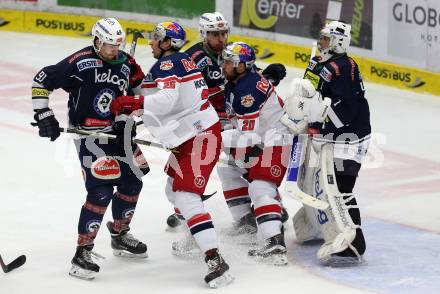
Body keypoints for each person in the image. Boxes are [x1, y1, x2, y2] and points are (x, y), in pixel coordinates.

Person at [110, 21, 234, 288]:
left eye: (156, 38)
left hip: (199, 136)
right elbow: (162, 99)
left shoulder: (169, 64)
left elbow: (167, 100)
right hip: (191, 136)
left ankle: (215, 260)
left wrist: (135, 102)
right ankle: (196, 233)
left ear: (168, 43)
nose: (151, 42)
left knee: (186, 196)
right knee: (172, 190)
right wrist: (135, 97)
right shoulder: (180, 61)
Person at [31, 17, 149, 280]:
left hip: (121, 132)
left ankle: (120, 234)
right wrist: (44, 115)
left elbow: (140, 93)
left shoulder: (127, 63)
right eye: (108, 45)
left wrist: (127, 116)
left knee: (133, 183)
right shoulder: (80, 62)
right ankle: (82, 252)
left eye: (117, 46)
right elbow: (41, 80)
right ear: (97, 41)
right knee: (101, 190)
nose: (113, 51)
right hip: (90, 136)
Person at [167, 12, 289, 233]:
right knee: (196, 164)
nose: (221, 38)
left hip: (236, 120)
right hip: (206, 120)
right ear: (204, 34)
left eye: (224, 33)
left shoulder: (232, 52)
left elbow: (248, 80)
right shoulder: (192, 57)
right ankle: (184, 208)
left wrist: (266, 77)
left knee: (246, 161)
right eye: (215, 34)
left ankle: (271, 205)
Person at [285, 20, 371, 265]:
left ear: (338, 41)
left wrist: (318, 120)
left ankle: (355, 242)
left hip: (349, 137)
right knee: (315, 179)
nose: (321, 42)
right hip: (327, 133)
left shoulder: (345, 67)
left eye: (326, 38)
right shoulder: (318, 61)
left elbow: (345, 110)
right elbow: (309, 95)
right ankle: (316, 224)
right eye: (321, 38)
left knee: (341, 187)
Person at [216, 42, 292, 265]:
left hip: (274, 142)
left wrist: (212, 140)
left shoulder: (247, 91)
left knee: (260, 187)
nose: (224, 65)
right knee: (226, 168)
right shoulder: (238, 80)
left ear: (241, 66)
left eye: (229, 62)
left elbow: (247, 137)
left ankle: (275, 243)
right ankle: (247, 223)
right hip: (260, 140)